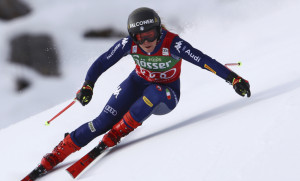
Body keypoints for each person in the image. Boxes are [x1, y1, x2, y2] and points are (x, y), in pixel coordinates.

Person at [39, 7, 251, 172]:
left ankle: (119, 131)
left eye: (151, 35)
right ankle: (61, 151)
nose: (147, 42)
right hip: (136, 83)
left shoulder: (173, 44)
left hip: (166, 96)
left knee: (155, 91)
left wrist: (233, 79)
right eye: (140, 38)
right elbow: (102, 62)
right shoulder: (127, 44)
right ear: (133, 37)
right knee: (102, 121)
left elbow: (204, 61)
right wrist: (88, 85)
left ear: (159, 30)